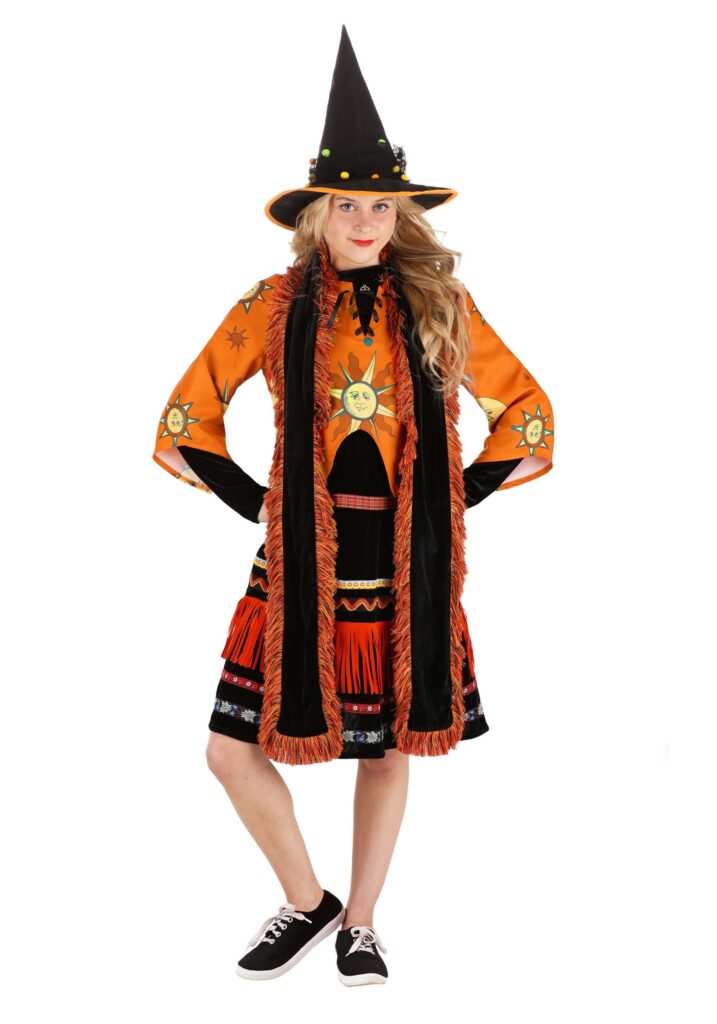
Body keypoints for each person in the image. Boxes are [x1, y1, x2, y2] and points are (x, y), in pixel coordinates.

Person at [152, 25, 554, 987]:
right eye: (347, 204)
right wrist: (260, 502)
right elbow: (184, 419)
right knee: (228, 751)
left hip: (403, 558)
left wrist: (454, 494)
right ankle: (307, 901)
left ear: (399, 213)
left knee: (385, 749)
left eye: (381, 204)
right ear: (317, 213)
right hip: (299, 556)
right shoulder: (270, 303)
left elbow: (528, 415)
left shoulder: (441, 304)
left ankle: (361, 923)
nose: (366, 221)